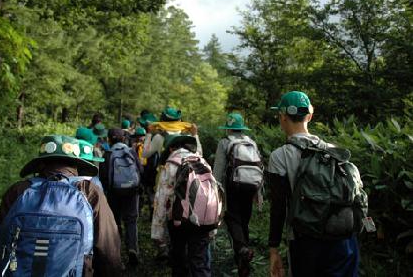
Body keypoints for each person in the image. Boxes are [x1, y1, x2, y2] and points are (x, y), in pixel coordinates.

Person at [0, 135, 122, 277]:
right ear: (77, 164)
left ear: (41, 164)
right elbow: (108, 251)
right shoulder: (89, 192)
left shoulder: (18, 191)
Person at [268, 91, 364, 277]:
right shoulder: (335, 151)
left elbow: (278, 208)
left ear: (282, 117)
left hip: (305, 241)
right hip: (343, 239)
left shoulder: (279, 156)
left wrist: (273, 249)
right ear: (310, 116)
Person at [151, 134, 214, 277]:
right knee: (200, 262)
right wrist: (212, 228)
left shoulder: (171, 164)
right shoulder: (201, 161)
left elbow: (161, 198)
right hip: (203, 219)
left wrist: (157, 232)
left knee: (179, 260)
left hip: (179, 221)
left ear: (172, 148)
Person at [213, 113, 262, 277]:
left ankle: (241, 250)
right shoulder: (251, 142)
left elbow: (218, 170)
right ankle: (242, 261)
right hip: (251, 185)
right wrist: (258, 192)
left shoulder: (225, 142)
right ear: (242, 128)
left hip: (234, 185)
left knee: (232, 218)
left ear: (228, 128)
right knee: (244, 221)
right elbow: (258, 166)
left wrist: (215, 190)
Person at [99, 128, 143, 266]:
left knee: (115, 223)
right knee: (131, 221)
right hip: (132, 191)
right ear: (123, 139)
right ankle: (132, 249)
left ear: (109, 140)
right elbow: (140, 170)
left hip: (114, 193)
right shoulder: (131, 151)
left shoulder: (107, 154)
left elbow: (103, 177)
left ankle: (116, 255)